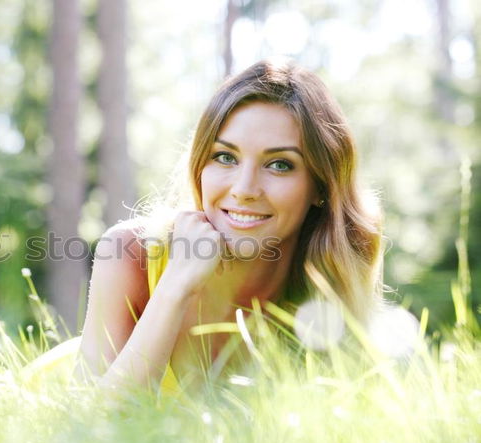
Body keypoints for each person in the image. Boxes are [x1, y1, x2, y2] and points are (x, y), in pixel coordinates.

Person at [36, 59, 384, 396]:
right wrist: (176, 287)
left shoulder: (337, 266)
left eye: (279, 164)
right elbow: (89, 431)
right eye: (225, 157)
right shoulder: (130, 252)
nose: (245, 189)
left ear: (321, 186)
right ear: (200, 164)